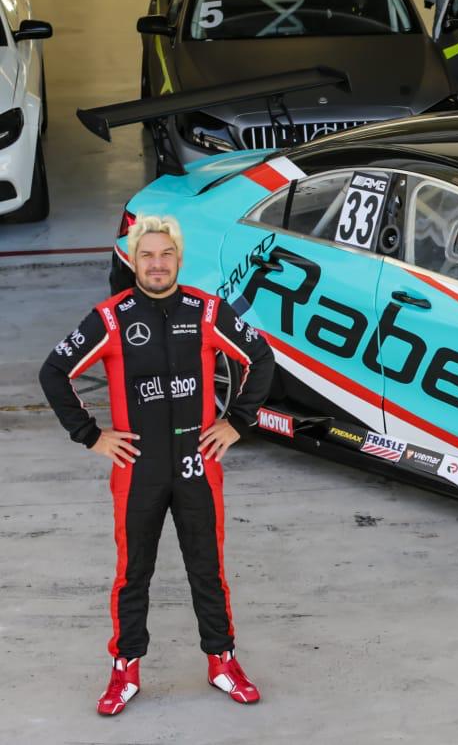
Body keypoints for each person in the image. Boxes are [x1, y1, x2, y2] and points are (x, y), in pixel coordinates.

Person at [39, 216, 275, 716]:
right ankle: (125, 669)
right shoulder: (111, 316)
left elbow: (260, 355)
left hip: (198, 465)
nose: (157, 263)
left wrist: (237, 422)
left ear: (179, 259)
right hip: (137, 470)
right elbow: (54, 371)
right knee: (133, 573)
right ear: (133, 259)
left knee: (207, 571)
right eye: (146, 255)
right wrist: (91, 436)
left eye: (165, 254)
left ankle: (222, 661)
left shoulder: (208, 310)